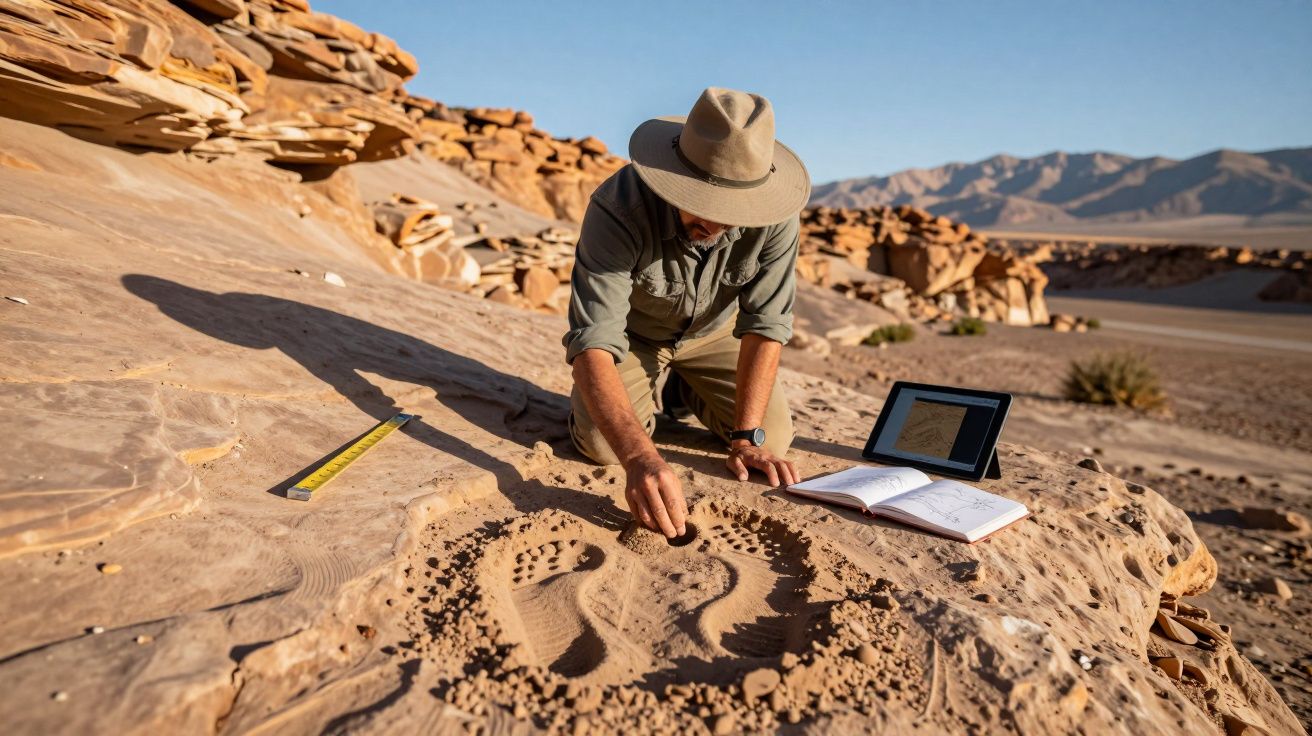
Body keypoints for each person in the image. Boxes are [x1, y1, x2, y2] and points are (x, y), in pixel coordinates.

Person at [562, 87, 811, 538]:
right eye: (701, 204)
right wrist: (640, 458)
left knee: (771, 441)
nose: (715, 226)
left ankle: (681, 390)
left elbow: (765, 325)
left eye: (733, 212)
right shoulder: (617, 208)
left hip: (714, 336)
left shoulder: (777, 218)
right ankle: (649, 385)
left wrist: (746, 437)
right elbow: (594, 340)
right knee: (601, 446)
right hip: (634, 339)